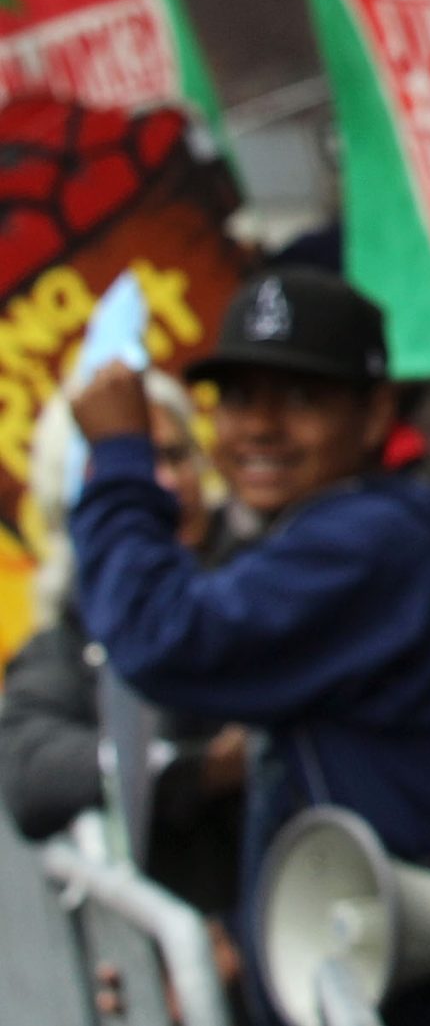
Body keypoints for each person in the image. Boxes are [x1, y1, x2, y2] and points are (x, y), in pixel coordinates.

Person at [68, 266, 430, 1026]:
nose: (259, 427)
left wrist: (119, 460)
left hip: (414, 985)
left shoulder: (372, 540)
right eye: (240, 397)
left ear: (378, 411)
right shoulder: (339, 529)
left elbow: (162, 636)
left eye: (302, 397)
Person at [1, 370, 251, 927]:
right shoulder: (67, 639)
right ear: (71, 505)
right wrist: (196, 772)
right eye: (128, 467)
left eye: (174, 455)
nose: (162, 483)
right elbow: (30, 771)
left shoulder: (267, 565)